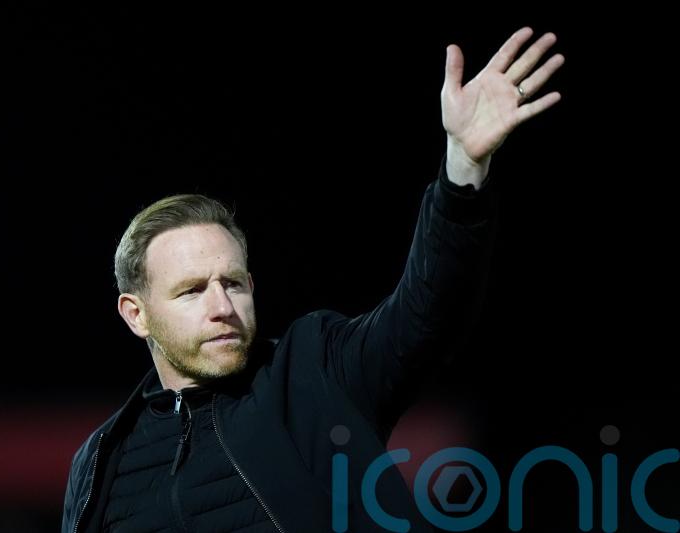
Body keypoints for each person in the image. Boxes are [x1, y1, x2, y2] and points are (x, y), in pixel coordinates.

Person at [62, 27, 564, 533]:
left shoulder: (313, 369)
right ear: (136, 314)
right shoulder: (99, 464)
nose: (222, 307)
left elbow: (426, 312)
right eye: (192, 291)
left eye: (233, 284)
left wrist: (463, 169)